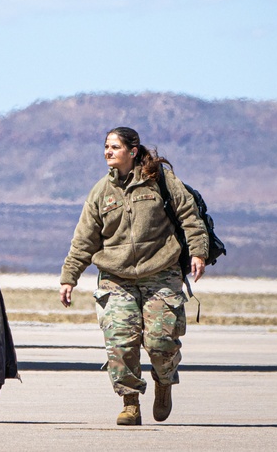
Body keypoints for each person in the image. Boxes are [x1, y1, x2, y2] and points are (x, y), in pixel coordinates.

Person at [59, 127, 208, 426]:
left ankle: (163, 382)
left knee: (160, 342)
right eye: (105, 147)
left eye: (114, 147)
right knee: (121, 342)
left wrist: (198, 251)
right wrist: (69, 277)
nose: (108, 152)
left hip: (160, 272)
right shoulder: (101, 191)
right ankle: (130, 402)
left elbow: (189, 215)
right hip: (116, 277)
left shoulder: (160, 181)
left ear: (133, 151)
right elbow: (84, 239)